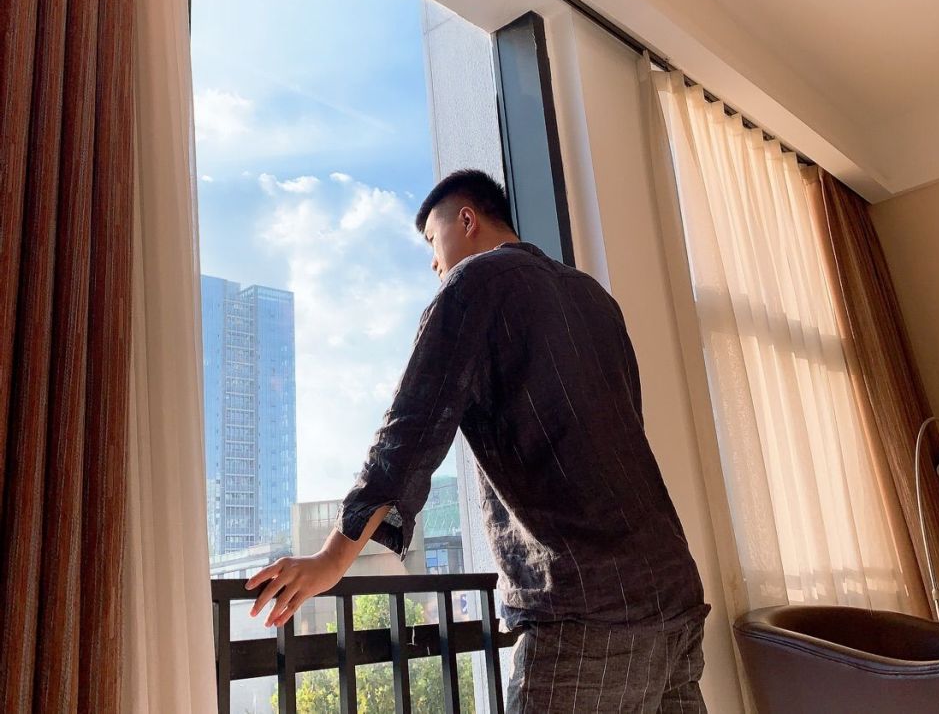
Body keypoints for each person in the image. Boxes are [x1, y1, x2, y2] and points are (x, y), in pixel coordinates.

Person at [247, 169, 709, 712]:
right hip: (674, 595)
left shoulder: (474, 283)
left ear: (466, 220)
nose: (433, 262)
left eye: (432, 239)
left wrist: (332, 558)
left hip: (586, 609)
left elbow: (410, 429)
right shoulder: (595, 298)